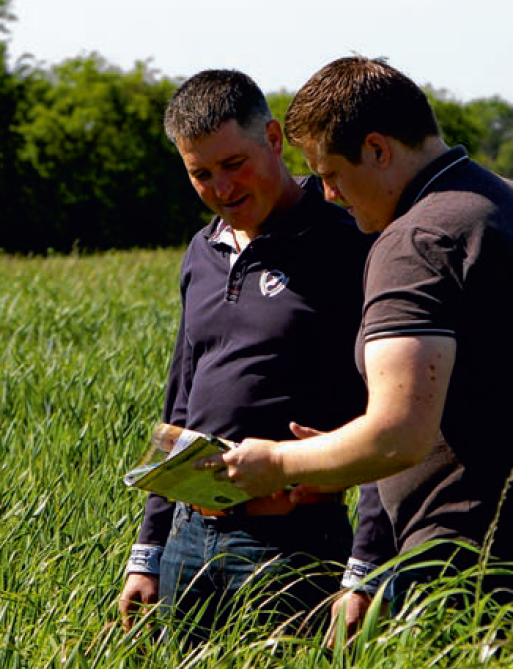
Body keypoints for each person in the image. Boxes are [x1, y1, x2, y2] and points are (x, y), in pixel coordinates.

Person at [200, 56, 513, 639]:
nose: (327, 194)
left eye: (330, 173)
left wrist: (273, 463)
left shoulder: (416, 240)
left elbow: (399, 434)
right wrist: (339, 458)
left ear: (378, 150)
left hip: (482, 568)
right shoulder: (507, 201)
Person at [115, 69, 379, 641]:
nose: (221, 187)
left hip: (294, 544)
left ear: (275, 138)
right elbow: (180, 401)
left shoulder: (346, 244)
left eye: (233, 164)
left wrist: (363, 567)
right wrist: (148, 549)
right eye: (200, 173)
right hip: (188, 545)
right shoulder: (201, 251)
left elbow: (389, 416)